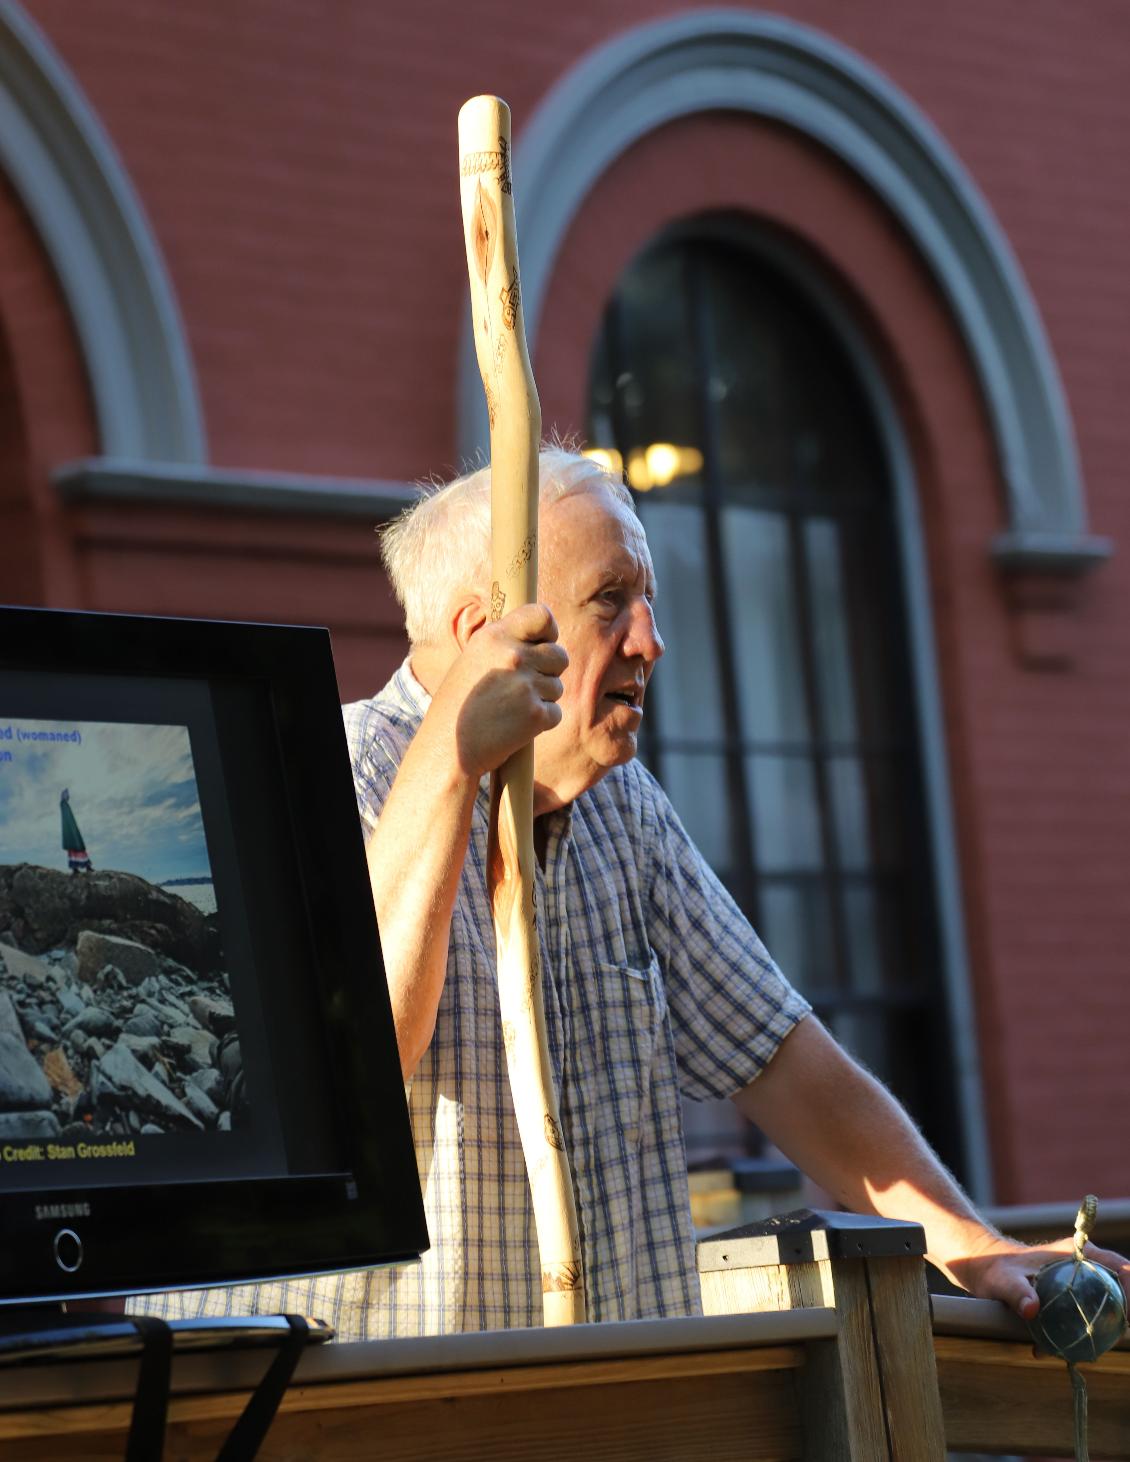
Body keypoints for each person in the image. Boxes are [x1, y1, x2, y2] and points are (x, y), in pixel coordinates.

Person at [138, 448, 1129, 1339]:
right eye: (609, 600)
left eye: (646, 603)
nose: (649, 641)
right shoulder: (316, 766)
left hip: (597, 1399)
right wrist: (451, 758)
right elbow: (350, 1067)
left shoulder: (624, 811)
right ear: (485, 629)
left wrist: (971, 1245)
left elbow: (789, 1066)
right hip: (356, 1407)